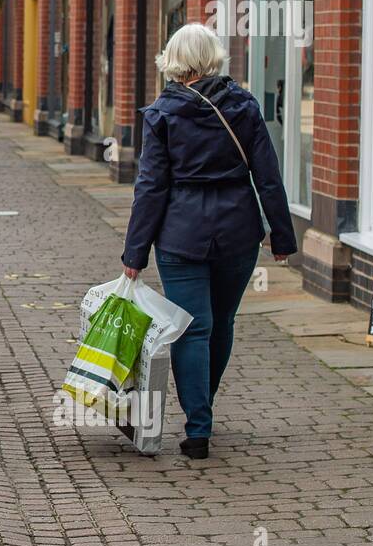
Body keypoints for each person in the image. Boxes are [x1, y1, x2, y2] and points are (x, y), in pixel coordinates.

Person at [121, 23, 297, 460]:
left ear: (173, 59)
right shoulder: (245, 105)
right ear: (214, 56)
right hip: (238, 231)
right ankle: (203, 409)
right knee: (221, 322)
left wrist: (135, 252)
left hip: (182, 235)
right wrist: (282, 236)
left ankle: (198, 426)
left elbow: (151, 188)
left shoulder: (162, 113)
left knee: (192, 329)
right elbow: (267, 176)